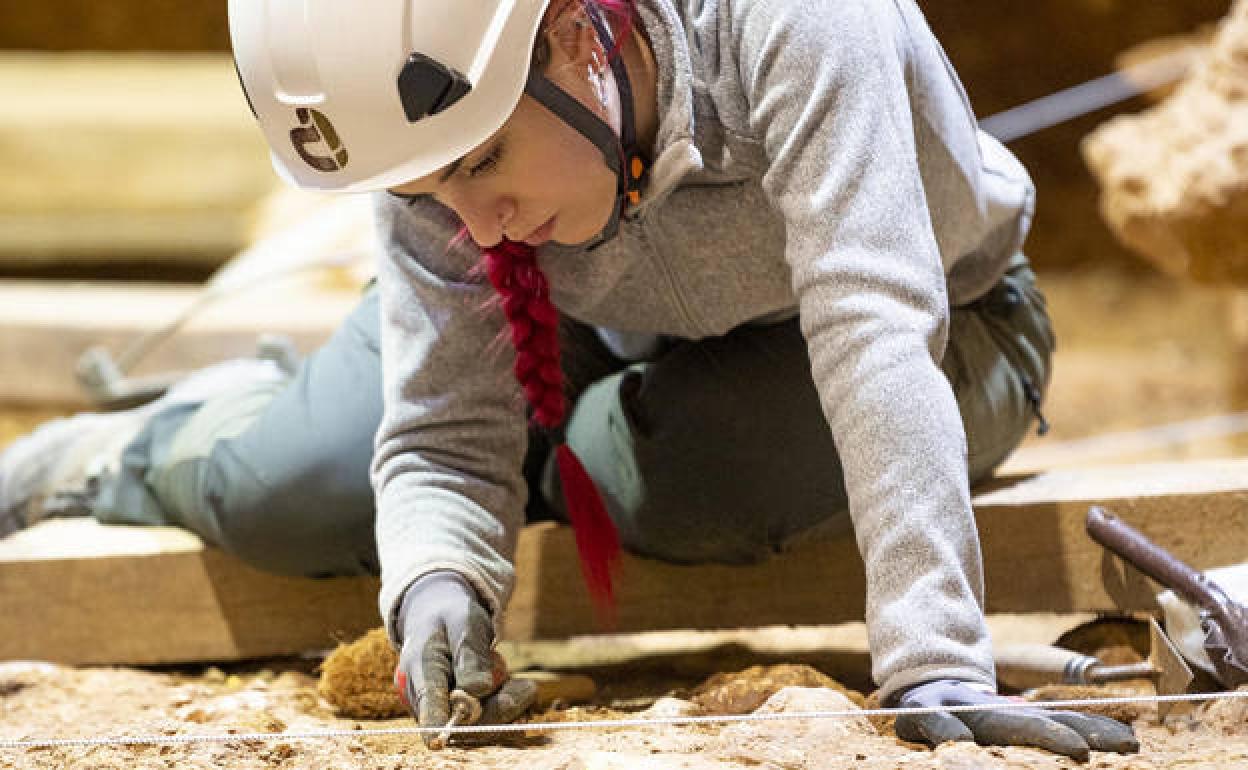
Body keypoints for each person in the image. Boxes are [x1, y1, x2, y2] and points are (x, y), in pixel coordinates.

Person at [0, 0, 1140, 758]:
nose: (471, 222)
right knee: (292, 487)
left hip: (930, 318)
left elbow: (873, 326)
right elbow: (446, 433)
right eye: (424, 193)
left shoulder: (799, 23)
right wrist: (439, 571)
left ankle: (570, 456)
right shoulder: (445, 181)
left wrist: (934, 656)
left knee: (697, 485)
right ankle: (117, 449)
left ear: (573, 36)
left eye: (483, 159)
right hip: (590, 322)